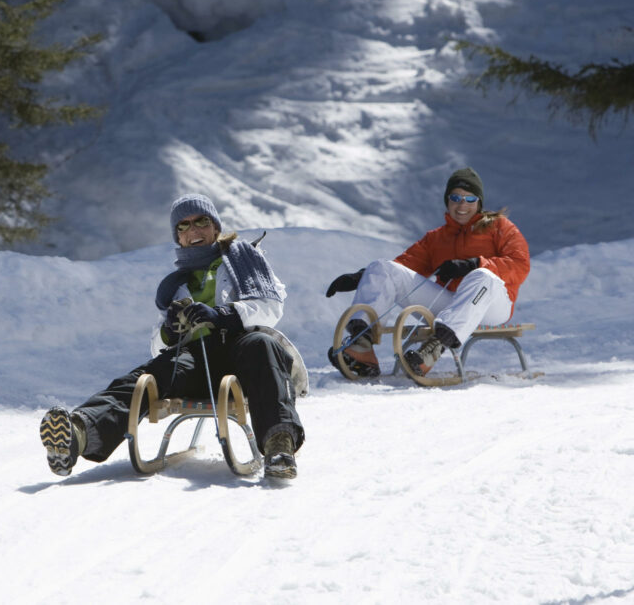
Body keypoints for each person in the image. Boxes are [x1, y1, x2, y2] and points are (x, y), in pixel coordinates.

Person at [40, 193, 307, 480]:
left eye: (201, 221)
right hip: (196, 359)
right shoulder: (176, 284)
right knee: (149, 375)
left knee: (261, 345)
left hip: (242, 350)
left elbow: (271, 306)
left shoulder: (244, 258)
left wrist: (223, 315)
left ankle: (279, 446)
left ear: (215, 227)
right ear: (177, 237)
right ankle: (79, 433)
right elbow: (157, 346)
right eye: (183, 226)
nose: (193, 231)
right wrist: (170, 331)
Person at [326, 167, 530, 377]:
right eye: (455, 197)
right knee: (382, 267)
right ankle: (362, 346)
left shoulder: (500, 227)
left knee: (483, 276)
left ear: (479, 202)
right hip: (449, 306)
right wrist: (363, 276)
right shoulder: (436, 238)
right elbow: (404, 266)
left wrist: (474, 264)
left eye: (470, 199)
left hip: (491, 305)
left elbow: (520, 264)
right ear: (447, 200)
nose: (462, 205)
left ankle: (433, 350)